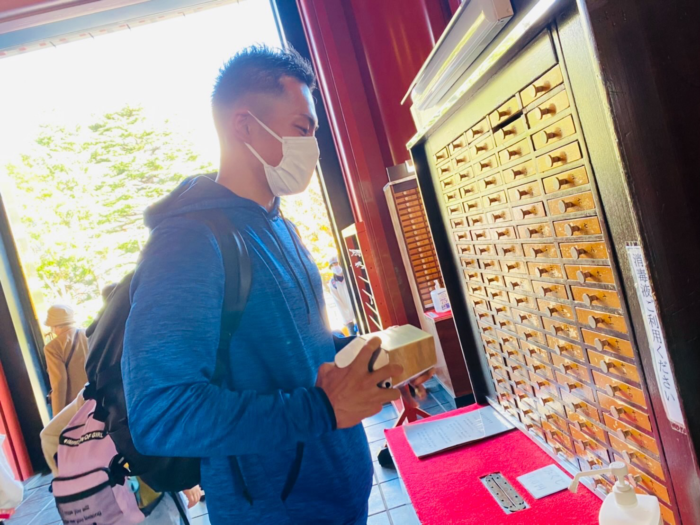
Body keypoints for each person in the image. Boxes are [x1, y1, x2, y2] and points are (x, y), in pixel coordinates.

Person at [121, 45, 431, 524]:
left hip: (340, 493)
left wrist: (374, 365)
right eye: (302, 128)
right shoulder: (187, 243)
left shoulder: (281, 226)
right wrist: (321, 409)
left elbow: (303, 350)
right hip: (271, 511)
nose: (313, 146)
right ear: (244, 126)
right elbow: (161, 414)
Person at [40, 390, 202, 524]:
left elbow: (48, 436)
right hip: (149, 498)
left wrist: (78, 480)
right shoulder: (133, 380)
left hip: (108, 507)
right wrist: (182, 480)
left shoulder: (91, 392)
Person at [43, 304, 88, 414]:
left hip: (78, 406)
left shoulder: (53, 347)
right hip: (103, 397)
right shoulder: (90, 334)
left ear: (54, 325)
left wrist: (58, 416)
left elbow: (59, 384)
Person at [327, 255, 357, 335]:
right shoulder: (332, 283)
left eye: (336, 263)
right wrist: (347, 316)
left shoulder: (350, 276)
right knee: (353, 337)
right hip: (346, 315)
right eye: (332, 265)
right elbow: (337, 301)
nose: (335, 266)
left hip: (357, 310)